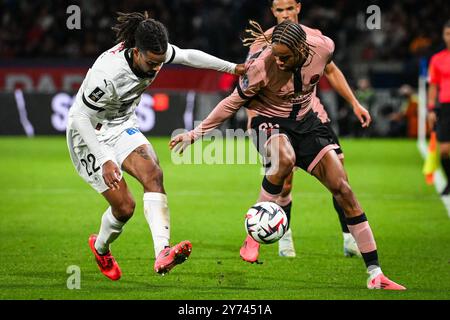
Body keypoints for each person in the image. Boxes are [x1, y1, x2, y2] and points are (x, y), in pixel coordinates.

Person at [170, 20, 405, 290]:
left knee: (344, 190)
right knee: (284, 159)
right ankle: (253, 236)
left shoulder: (324, 47)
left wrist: (354, 102)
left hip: (307, 123)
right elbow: (231, 103)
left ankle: (376, 274)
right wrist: (195, 134)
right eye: (276, 55)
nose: (279, 61)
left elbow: (331, 69)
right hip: (269, 121)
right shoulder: (260, 67)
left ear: (301, 48)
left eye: (285, 57)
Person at [67, 11, 244, 280]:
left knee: (154, 174)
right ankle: (101, 247)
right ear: (136, 52)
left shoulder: (155, 53)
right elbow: (80, 117)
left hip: (121, 125)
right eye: (151, 63)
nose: (155, 69)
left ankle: (162, 252)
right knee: (125, 207)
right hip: (89, 135)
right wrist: (105, 158)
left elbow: (186, 56)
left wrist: (232, 68)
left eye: (160, 63)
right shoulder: (108, 74)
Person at [242, 0, 368, 261]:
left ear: (298, 7)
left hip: (310, 114)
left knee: (340, 174)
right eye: (279, 10)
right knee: (284, 178)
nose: (285, 14)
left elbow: (331, 71)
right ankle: (284, 237)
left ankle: (349, 238)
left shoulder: (316, 40)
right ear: (272, 12)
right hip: (276, 117)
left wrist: (354, 103)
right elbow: (250, 84)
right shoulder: (262, 43)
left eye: (289, 8)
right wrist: (253, 119)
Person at [427, 20, 450, 196]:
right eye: (447, 34)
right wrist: (431, 109)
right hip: (445, 107)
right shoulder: (437, 59)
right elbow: (433, 86)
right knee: (444, 150)